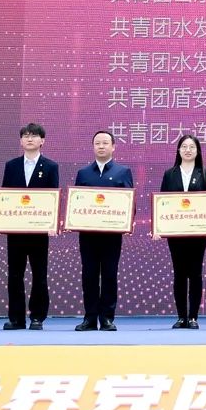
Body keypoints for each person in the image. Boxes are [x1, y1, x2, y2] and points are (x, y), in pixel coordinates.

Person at [0, 123, 59, 331]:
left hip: (39, 231)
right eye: (26, 136)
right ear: (21, 141)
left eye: (34, 136)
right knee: (15, 275)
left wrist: (52, 222)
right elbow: (4, 196)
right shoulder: (11, 165)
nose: (30, 139)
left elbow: (53, 197)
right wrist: (0, 221)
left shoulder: (51, 166)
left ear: (42, 140)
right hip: (15, 230)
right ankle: (16, 318)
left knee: (39, 275)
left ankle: (37, 317)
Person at [72, 130, 133, 332]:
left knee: (109, 275)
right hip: (87, 236)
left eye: (105, 143)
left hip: (111, 236)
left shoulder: (123, 172)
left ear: (113, 147)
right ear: (93, 147)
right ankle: (90, 318)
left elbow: (129, 202)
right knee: (89, 275)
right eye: (97, 143)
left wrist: (126, 222)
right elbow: (76, 202)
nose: (101, 146)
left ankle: (107, 318)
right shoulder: (83, 173)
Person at [158, 134, 206, 329]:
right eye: (184, 146)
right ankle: (181, 316)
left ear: (198, 151)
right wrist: (159, 227)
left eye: (192, 147)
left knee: (196, 273)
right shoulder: (169, 174)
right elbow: (162, 203)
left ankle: (193, 317)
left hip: (198, 234)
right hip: (176, 233)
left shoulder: (205, 174)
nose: (188, 150)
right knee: (180, 273)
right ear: (178, 150)